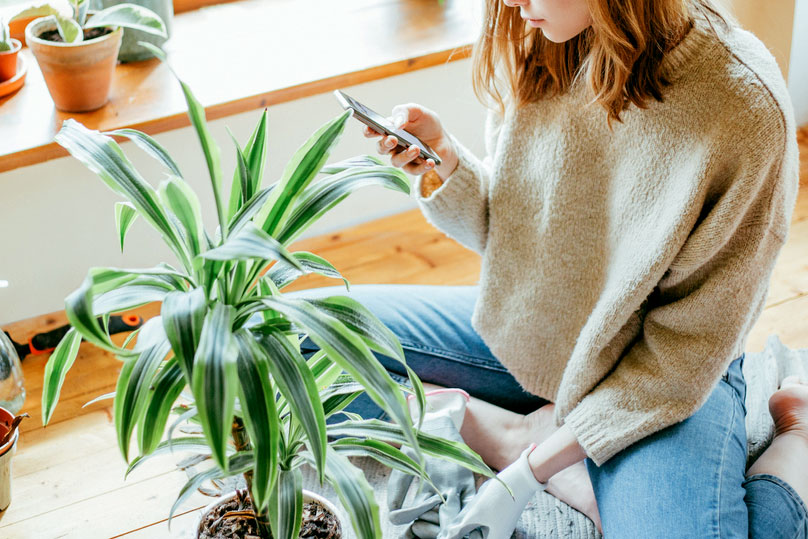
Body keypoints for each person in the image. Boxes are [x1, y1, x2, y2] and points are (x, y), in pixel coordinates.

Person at [293, 0, 807, 536]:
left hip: (661, 376)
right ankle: (520, 429)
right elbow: (525, 238)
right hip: (547, 334)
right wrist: (445, 160)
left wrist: (532, 469)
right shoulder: (550, 34)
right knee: (286, 333)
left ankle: (797, 443)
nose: (511, 4)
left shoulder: (743, 106)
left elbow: (684, 355)